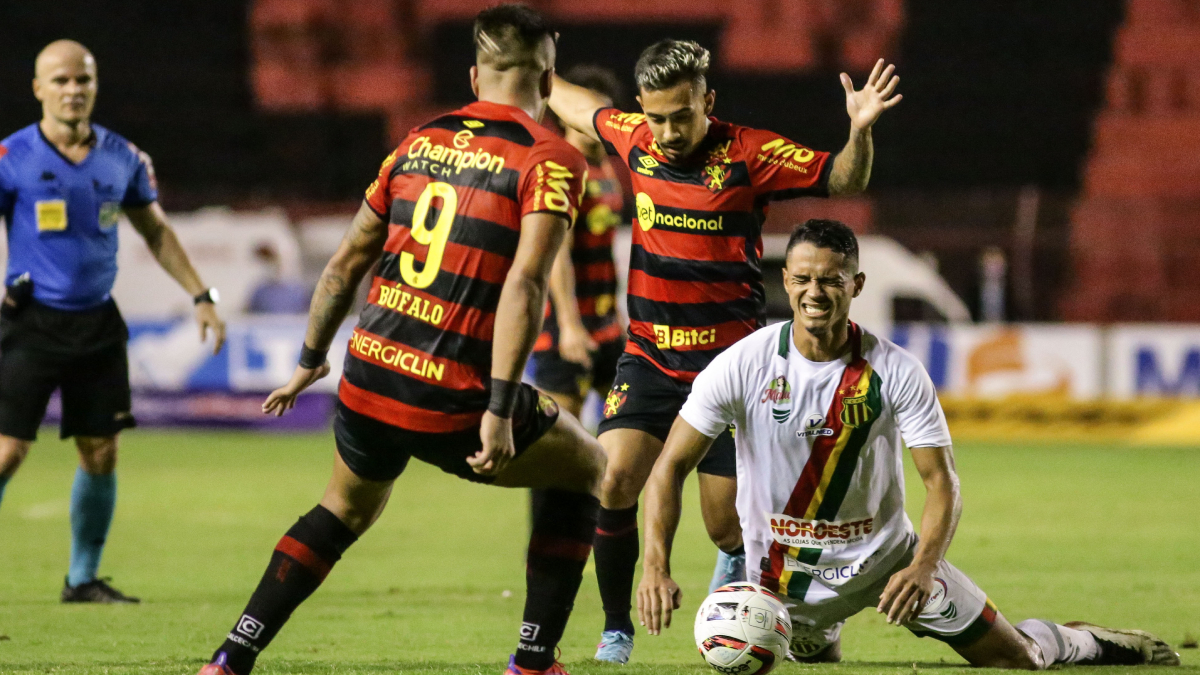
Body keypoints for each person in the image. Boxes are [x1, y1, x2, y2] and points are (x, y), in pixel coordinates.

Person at [196, 6, 605, 675]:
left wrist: (308, 362)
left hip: (369, 374)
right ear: (550, 73)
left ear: (475, 74)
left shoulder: (418, 141)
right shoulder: (550, 157)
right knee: (590, 467)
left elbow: (345, 262)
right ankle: (534, 660)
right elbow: (525, 284)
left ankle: (231, 654)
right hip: (451, 394)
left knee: (342, 508)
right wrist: (500, 410)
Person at [636, 219, 1181, 668]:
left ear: (857, 284)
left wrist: (923, 566)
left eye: (832, 279)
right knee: (760, 661)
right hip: (782, 581)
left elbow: (941, 482)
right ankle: (819, 637)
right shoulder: (743, 364)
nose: (815, 292)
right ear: (786, 279)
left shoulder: (896, 370)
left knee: (1020, 661)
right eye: (802, 279)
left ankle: (1082, 640)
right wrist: (655, 565)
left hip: (888, 565)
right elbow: (669, 467)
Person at [548, 39, 900, 662]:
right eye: (656, 117)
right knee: (614, 479)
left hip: (730, 371)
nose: (667, 131)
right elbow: (577, 106)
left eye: (681, 116)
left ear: (708, 101)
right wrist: (531, 75)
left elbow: (845, 178)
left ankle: (742, 602)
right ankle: (616, 632)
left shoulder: (751, 154)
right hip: (651, 355)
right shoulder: (633, 136)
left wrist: (860, 129)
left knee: (725, 526)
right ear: (640, 109)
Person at [0, 40, 225, 603]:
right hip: (30, 323)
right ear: (37, 89)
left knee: (101, 452)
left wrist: (201, 294)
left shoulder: (123, 157)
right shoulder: (11, 158)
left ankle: (82, 579)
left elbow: (155, 231)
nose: (73, 90)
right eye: (60, 81)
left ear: (95, 86)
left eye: (83, 80)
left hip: (98, 324)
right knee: (6, 453)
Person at [530, 64, 626, 418]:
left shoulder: (606, 168)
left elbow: (606, 247)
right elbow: (557, 255)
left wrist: (616, 311)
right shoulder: (563, 167)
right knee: (561, 430)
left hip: (605, 324)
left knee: (634, 423)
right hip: (566, 329)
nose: (599, 120)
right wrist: (569, 326)